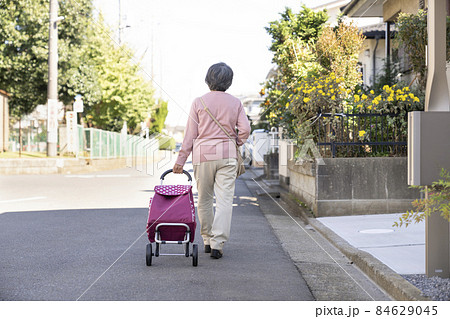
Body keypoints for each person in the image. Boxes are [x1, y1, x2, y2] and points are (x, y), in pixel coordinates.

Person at [173, 62, 251, 259]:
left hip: (203, 155)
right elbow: (245, 130)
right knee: (225, 200)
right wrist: (237, 142)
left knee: (205, 199)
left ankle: (207, 239)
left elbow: (190, 135)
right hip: (227, 155)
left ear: (208, 80)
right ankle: (218, 243)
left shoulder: (199, 102)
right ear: (229, 81)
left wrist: (181, 161)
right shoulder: (236, 103)